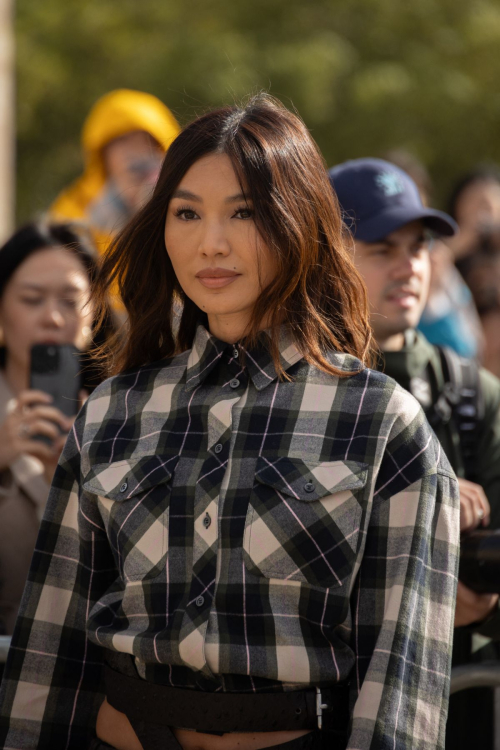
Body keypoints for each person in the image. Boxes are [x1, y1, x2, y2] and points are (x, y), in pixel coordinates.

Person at [0, 96, 459, 750]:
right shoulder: (111, 412)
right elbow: (50, 650)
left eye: (243, 212)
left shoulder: (382, 421)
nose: (210, 242)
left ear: (298, 222)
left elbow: (403, 681)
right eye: (186, 213)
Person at [329, 157, 500, 750]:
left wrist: (478, 599)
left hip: (468, 714)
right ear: (327, 258)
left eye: (421, 246)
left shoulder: (474, 395)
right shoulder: (294, 392)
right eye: (381, 247)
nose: (409, 266)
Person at [0, 220, 113, 635]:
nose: (51, 317)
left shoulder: (125, 412)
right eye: (31, 299)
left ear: (94, 312)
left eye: (70, 300)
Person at [50, 89, 181, 254]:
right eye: (121, 140)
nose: (135, 151)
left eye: (147, 140)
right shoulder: (72, 213)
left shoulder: (187, 205)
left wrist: (157, 216)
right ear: (102, 153)